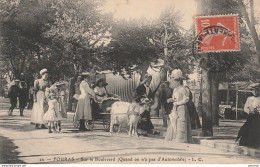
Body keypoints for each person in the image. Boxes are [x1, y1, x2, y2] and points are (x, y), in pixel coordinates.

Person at [165, 69, 193, 143]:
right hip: (175, 108)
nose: (173, 82)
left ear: (178, 81)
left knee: (180, 123)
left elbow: (186, 99)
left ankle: (180, 139)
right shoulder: (175, 90)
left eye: (174, 81)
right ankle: (173, 137)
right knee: (173, 122)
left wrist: (177, 103)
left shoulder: (184, 89)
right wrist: (171, 100)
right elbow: (175, 99)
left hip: (182, 108)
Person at [236, 83, 260, 148]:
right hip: (250, 116)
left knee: (256, 129)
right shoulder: (249, 98)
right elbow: (245, 107)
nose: (255, 92)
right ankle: (245, 142)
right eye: (253, 90)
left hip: (258, 117)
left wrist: (258, 111)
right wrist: (249, 111)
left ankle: (255, 143)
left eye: (257, 90)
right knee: (246, 128)